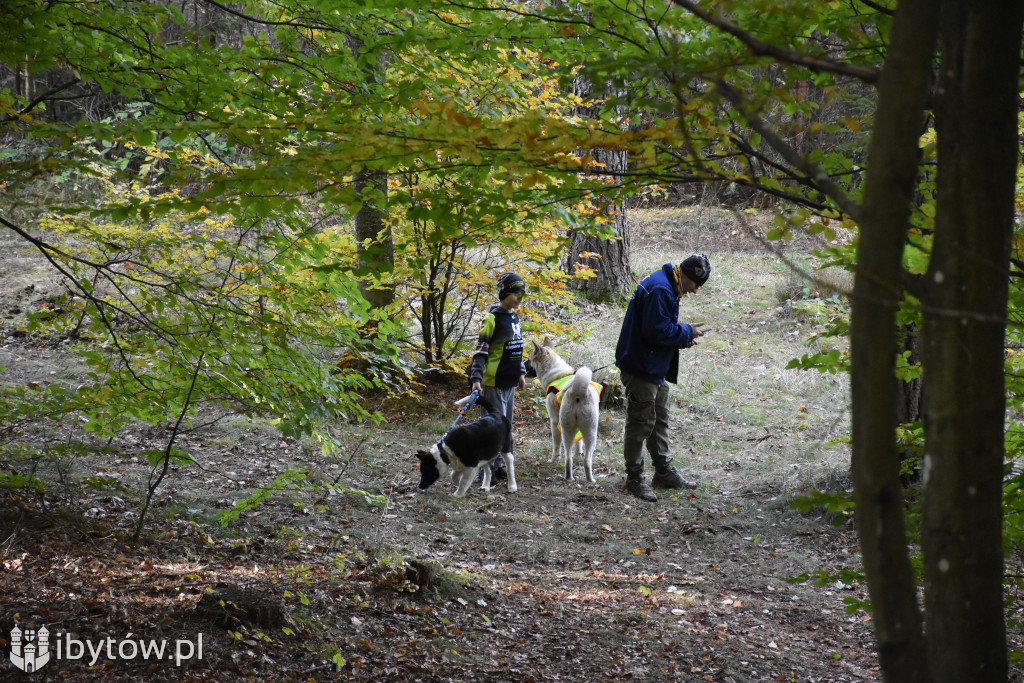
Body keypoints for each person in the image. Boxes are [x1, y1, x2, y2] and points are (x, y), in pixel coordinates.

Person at [614, 253, 711, 502]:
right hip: (641, 367)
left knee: (659, 420)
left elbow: (660, 329)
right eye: (696, 285)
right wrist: (686, 330)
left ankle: (663, 472)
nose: (696, 291)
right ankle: (634, 478)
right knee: (640, 423)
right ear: (687, 276)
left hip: (653, 365)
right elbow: (656, 331)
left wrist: (682, 337)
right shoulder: (660, 289)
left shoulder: (668, 284)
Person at [468, 272, 528, 481]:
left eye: (522, 294)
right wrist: (476, 379)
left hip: (509, 382)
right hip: (492, 382)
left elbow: (515, 348)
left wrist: (520, 371)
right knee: (491, 428)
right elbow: (481, 351)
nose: (519, 299)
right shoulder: (492, 319)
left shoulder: (515, 318)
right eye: (515, 294)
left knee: (505, 426)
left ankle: (498, 465)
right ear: (504, 293)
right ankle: (485, 471)